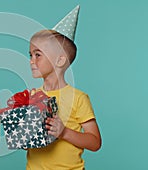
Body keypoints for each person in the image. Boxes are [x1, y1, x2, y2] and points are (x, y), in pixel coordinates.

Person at [26, 6, 101, 169]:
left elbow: (95, 142)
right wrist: (22, 131)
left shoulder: (79, 98)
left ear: (59, 61)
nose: (31, 60)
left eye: (37, 55)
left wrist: (64, 132)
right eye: (30, 55)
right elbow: (27, 143)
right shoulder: (32, 97)